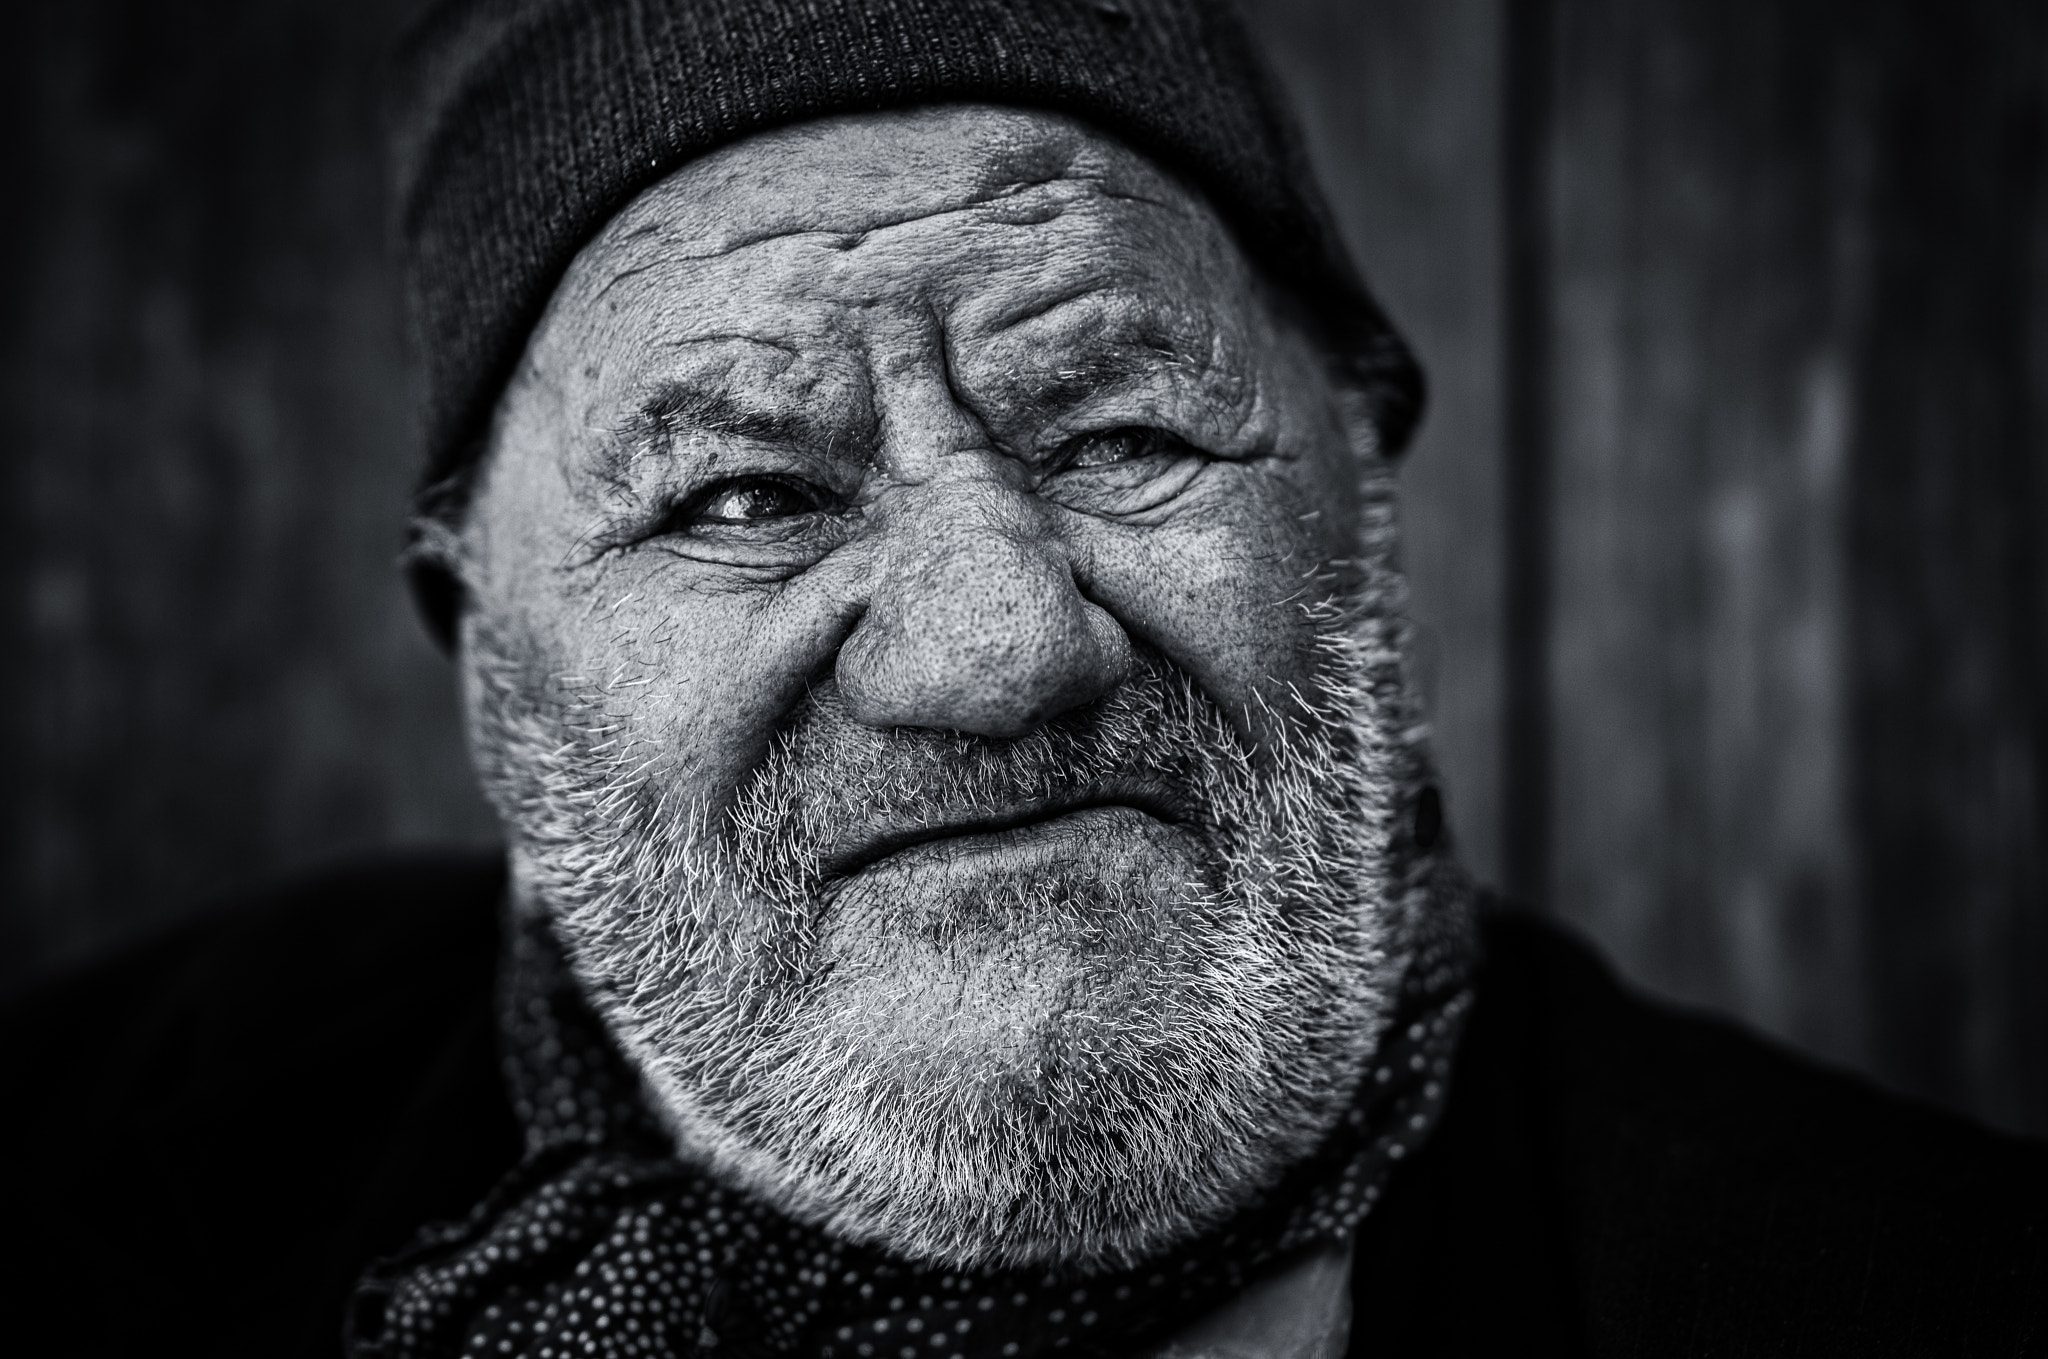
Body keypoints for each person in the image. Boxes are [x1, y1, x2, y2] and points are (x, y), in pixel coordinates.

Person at [3, 1, 2044, 1355]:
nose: (994, 649)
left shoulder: (1881, 1293)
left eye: (1120, 430)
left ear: (1360, 506)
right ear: (497, 694)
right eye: (740, 489)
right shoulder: (119, 1159)